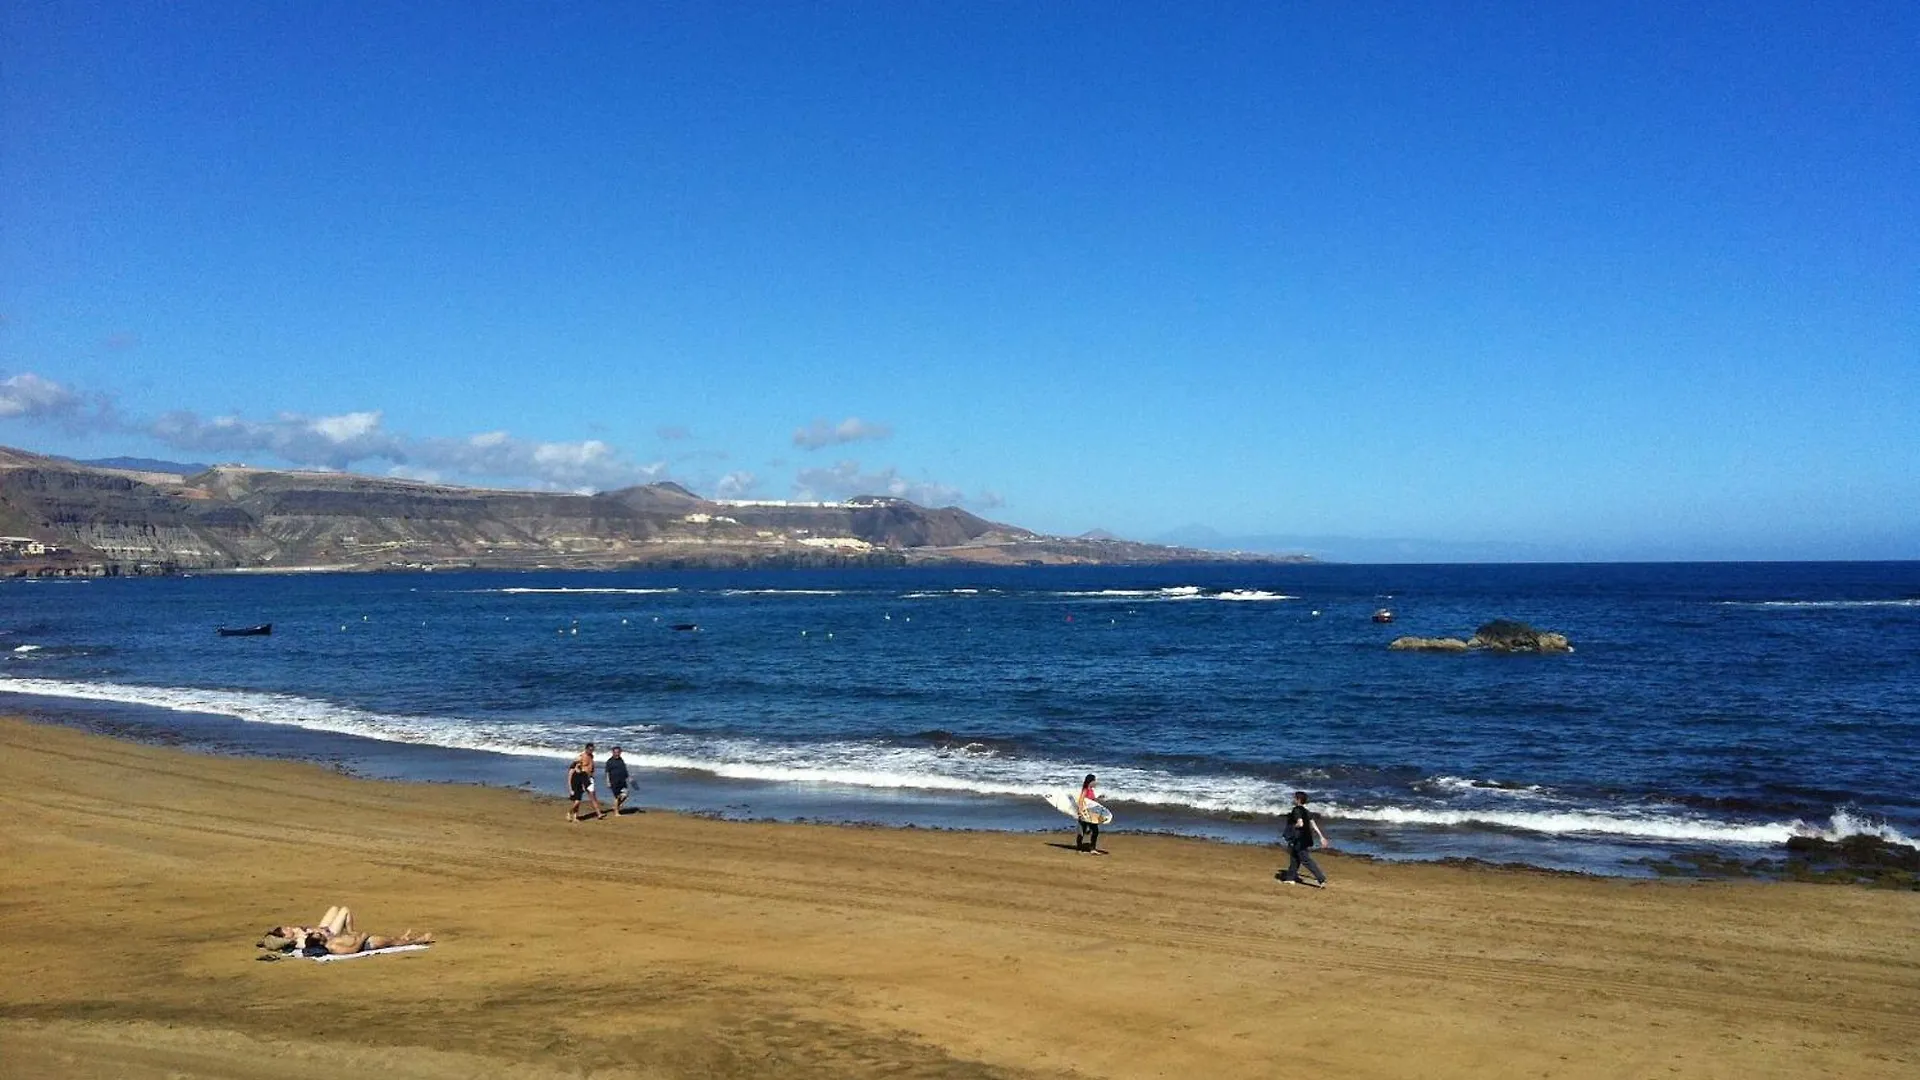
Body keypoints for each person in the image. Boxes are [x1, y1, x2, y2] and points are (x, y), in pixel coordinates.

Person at [260, 906, 433, 955]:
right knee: (392, 942)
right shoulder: (333, 947)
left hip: (363, 941)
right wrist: (361, 937)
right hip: (366, 944)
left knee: (393, 940)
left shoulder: (329, 942)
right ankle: (419, 940)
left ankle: (407, 939)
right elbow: (353, 950)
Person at [1278, 790, 1329, 888]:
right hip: (1304, 839)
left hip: (1298, 839)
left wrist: (1292, 828)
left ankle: (1321, 879)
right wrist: (1321, 836)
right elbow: (1313, 823)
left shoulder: (1296, 810)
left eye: (1294, 798)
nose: (1293, 799)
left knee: (1306, 860)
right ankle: (1290, 878)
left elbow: (1300, 823)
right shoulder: (1306, 811)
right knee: (1294, 857)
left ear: (1298, 800)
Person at [567, 742, 605, 822]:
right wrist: (570, 786)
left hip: (589, 778)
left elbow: (591, 766)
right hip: (582, 778)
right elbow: (572, 769)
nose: (591, 751)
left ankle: (598, 813)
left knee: (592, 795)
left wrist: (592, 773)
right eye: (590, 750)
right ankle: (574, 815)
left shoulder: (591, 756)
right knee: (578, 799)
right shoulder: (581, 757)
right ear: (586, 749)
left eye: (592, 750)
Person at [1075, 773, 1107, 855]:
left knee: (1095, 831)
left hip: (1091, 814)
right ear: (1090, 781)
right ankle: (1079, 848)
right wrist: (1080, 812)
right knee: (1082, 832)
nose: (1096, 782)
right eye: (1094, 781)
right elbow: (1081, 801)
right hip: (1085, 814)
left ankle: (1092, 849)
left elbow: (1092, 802)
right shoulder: (1085, 790)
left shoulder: (1091, 790)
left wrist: (1099, 798)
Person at [605, 746, 631, 815]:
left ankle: (616, 806)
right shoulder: (609, 761)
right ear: (613, 753)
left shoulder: (621, 760)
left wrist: (628, 777)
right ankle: (616, 812)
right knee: (617, 797)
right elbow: (607, 772)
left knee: (625, 794)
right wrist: (608, 782)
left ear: (620, 752)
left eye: (618, 752)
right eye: (615, 752)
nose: (617, 754)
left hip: (622, 781)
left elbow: (624, 770)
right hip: (614, 781)